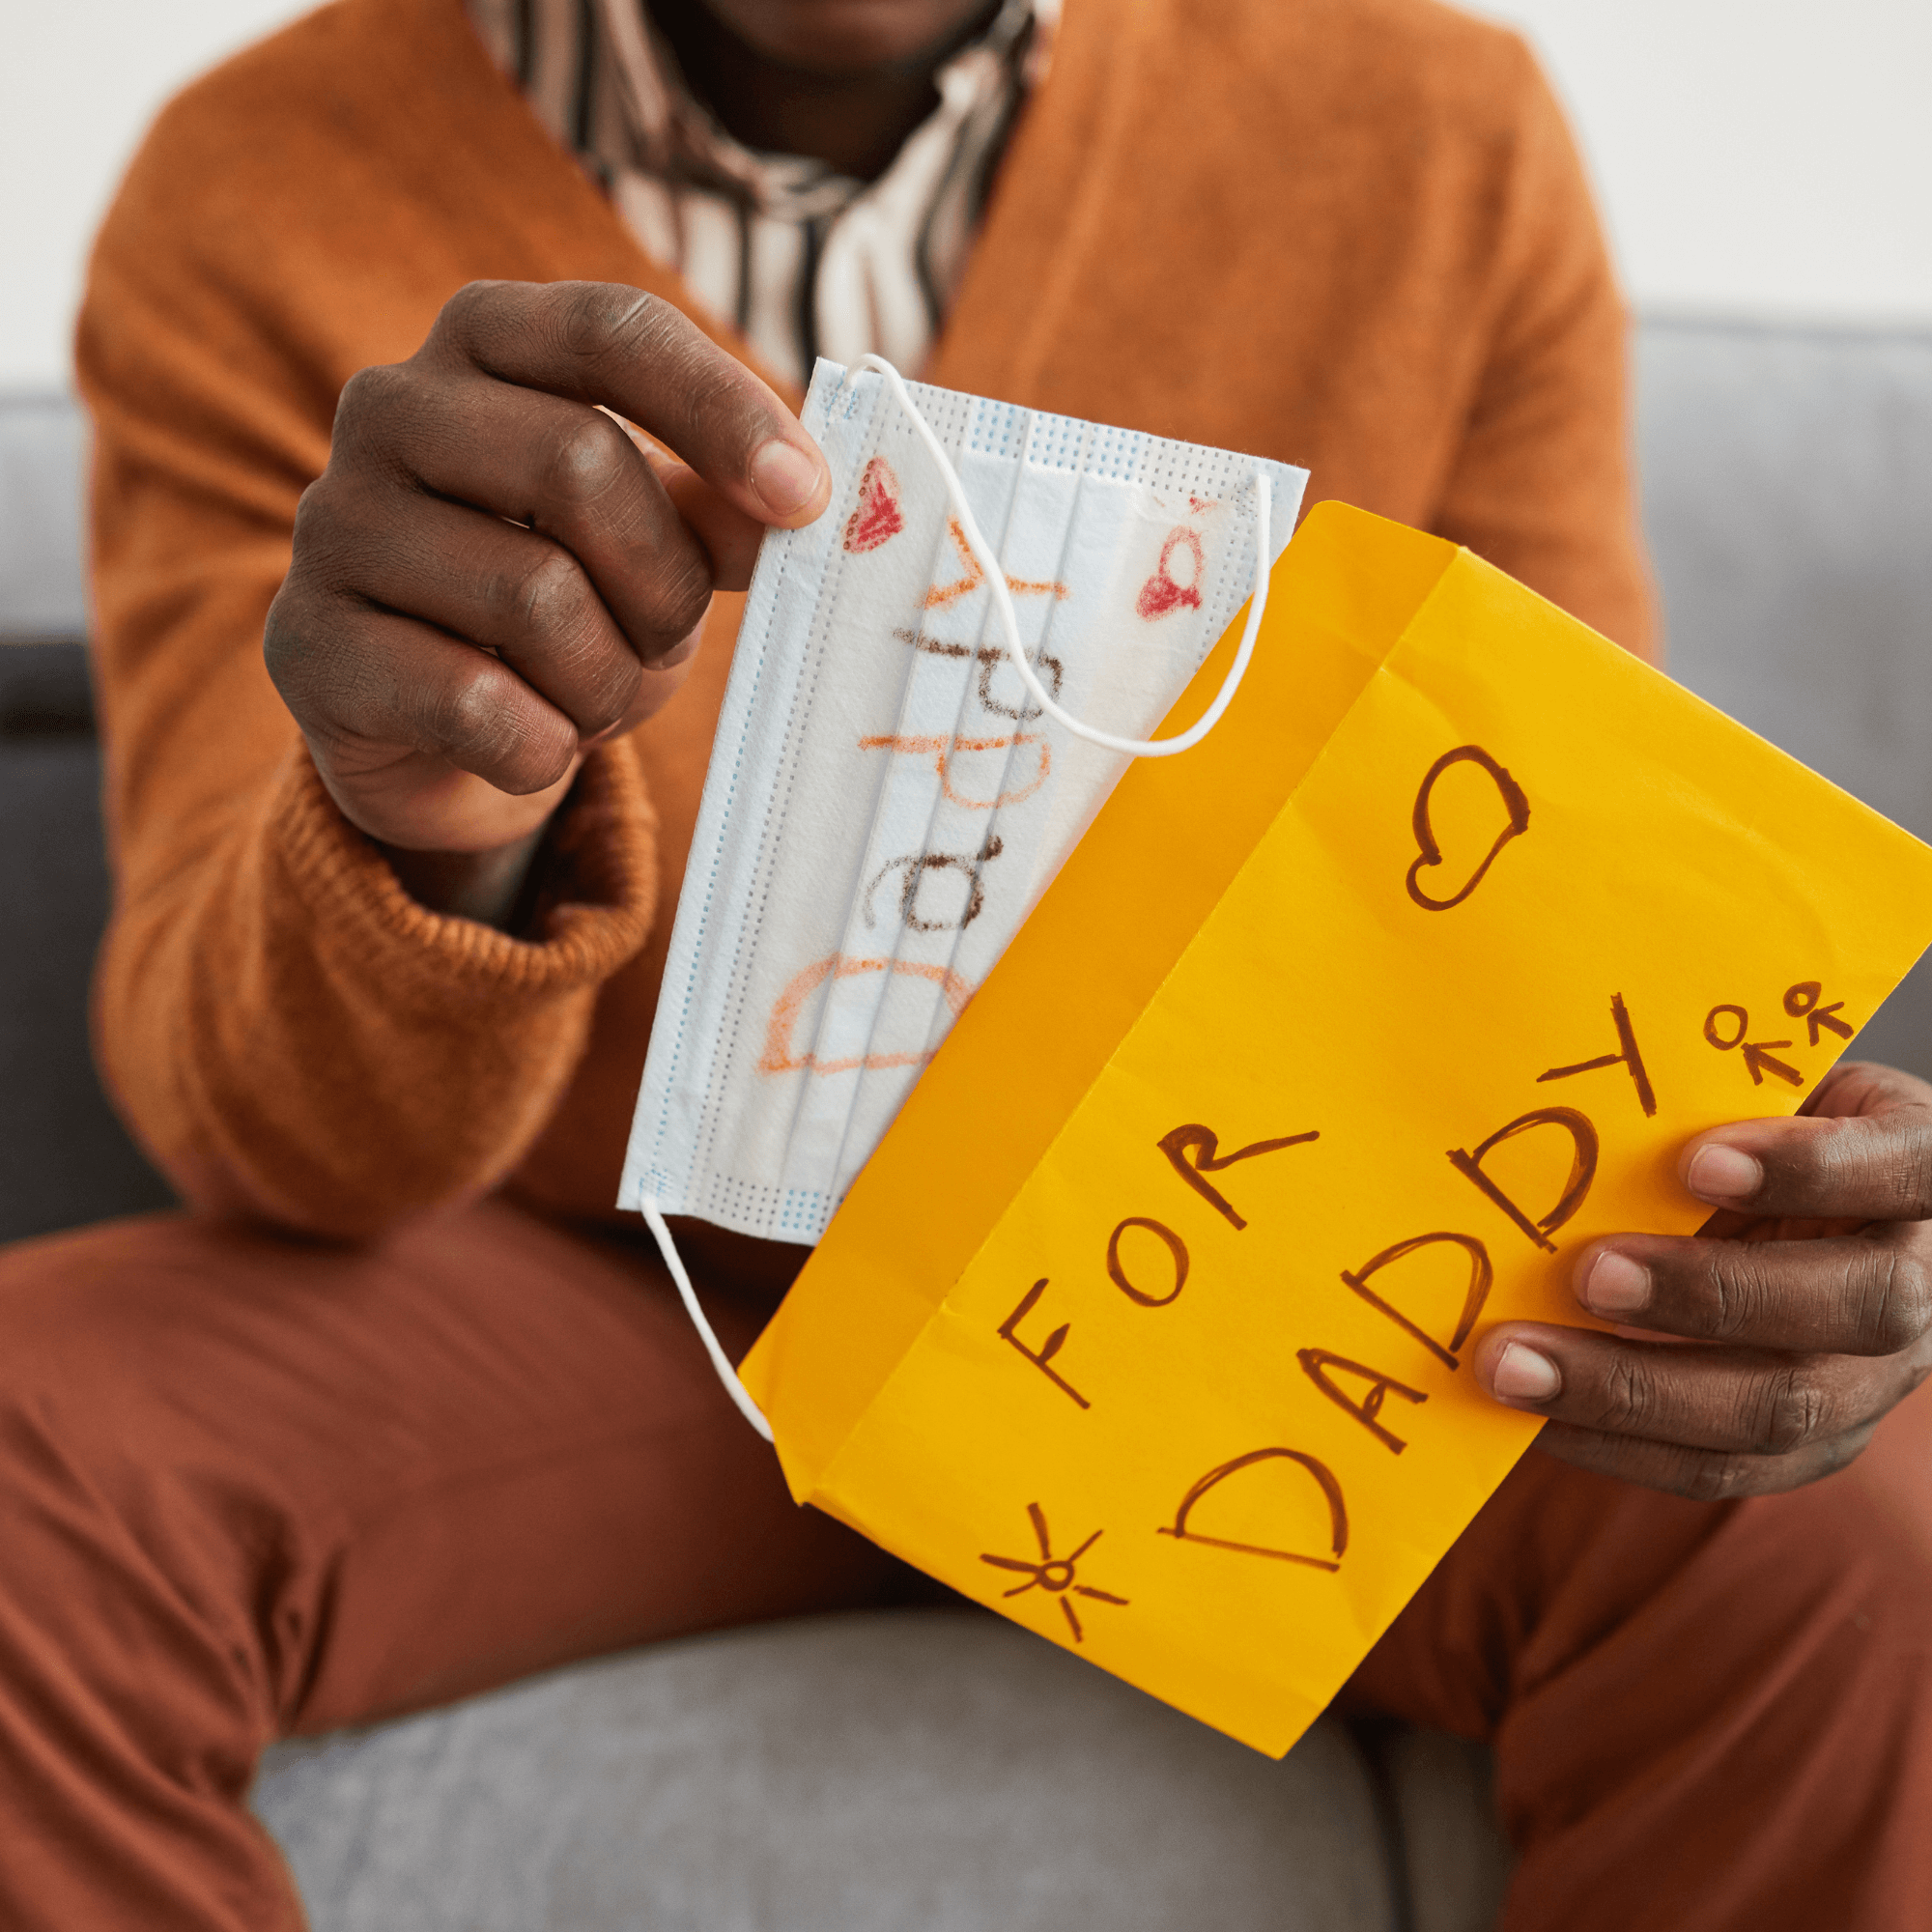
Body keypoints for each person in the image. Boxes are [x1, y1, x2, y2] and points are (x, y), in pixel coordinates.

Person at [6, 0, 1927, 1923]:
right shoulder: (259, 183)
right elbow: (271, 1143)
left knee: (1853, 1529)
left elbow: (1555, 930)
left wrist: (1750, 1205)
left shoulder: (1432, 129)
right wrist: (429, 825)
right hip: (607, 1296)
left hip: (1257, 1321)